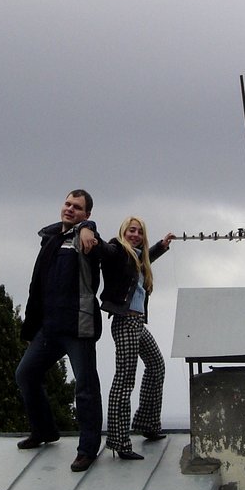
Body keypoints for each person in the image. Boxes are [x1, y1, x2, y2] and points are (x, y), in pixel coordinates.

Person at [16, 189, 103, 472]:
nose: (70, 209)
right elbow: (38, 287)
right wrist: (32, 326)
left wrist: (88, 228)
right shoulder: (50, 239)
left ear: (86, 214)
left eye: (77, 207)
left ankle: (87, 449)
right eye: (67, 204)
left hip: (78, 326)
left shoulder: (87, 240)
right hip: (50, 326)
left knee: (85, 388)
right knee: (25, 374)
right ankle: (44, 430)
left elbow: (95, 242)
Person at [99, 216, 175, 460]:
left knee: (156, 365)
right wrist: (88, 230)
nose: (135, 235)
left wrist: (162, 245)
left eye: (140, 232)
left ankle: (148, 423)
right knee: (124, 380)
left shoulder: (138, 258)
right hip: (125, 322)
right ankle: (120, 441)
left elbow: (145, 259)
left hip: (137, 323)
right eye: (131, 230)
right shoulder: (117, 250)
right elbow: (105, 250)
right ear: (123, 232)